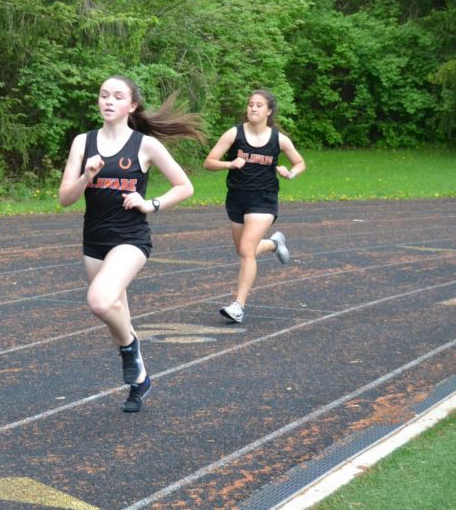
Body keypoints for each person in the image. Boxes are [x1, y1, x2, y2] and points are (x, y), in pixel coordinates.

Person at [59, 75, 205, 412]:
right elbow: (65, 198)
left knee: (99, 301)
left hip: (131, 238)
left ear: (132, 106)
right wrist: (86, 177)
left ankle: (130, 349)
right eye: (103, 95)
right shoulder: (84, 142)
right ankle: (140, 379)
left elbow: (184, 186)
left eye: (117, 96)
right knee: (116, 312)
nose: (108, 101)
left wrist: (150, 203)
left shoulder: (145, 145)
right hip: (94, 239)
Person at [203, 89, 306, 324]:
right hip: (237, 198)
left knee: (247, 250)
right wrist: (230, 163)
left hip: (264, 199)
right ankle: (273, 243)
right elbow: (209, 162)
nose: (253, 108)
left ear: (269, 111)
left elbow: (300, 162)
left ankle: (238, 306)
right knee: (243, 250)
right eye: (250, 104)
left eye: (259, 105)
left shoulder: (278, 139)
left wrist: (290, 173)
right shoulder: (233, 133)